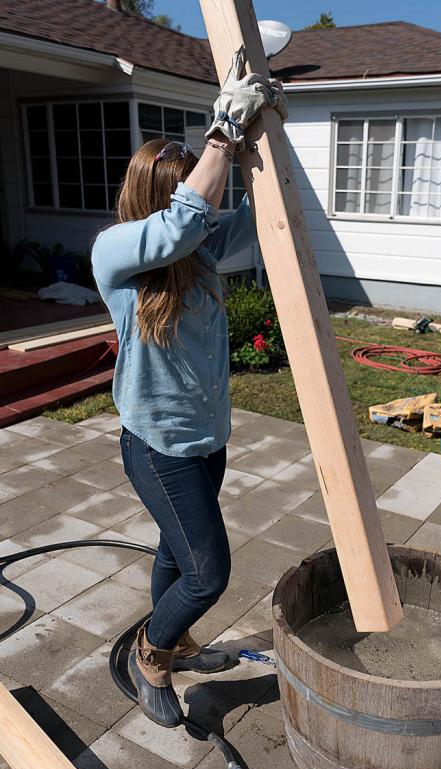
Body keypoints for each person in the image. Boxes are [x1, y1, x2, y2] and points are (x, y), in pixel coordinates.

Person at [92, 49, 286, 728]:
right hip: (156, 447)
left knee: (177, 551)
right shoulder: (115, 253)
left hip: (207, 442)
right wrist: (219, 135)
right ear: (157, 198)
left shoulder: (198, 254)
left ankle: (179, 640)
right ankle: (152, 655)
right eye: (191, 206)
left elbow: (259, 217)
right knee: (209, 571)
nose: (205, 221)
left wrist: (263, 136)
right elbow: (181, 223)